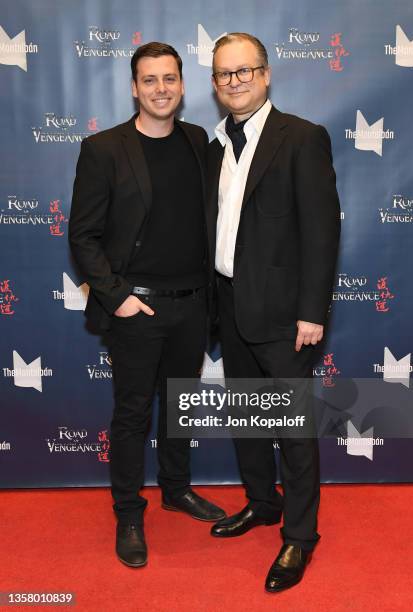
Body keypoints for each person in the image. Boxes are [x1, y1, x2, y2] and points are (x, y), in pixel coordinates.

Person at [69, 42, 225, 568]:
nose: (161, 88)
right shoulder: (103, 148)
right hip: (137, 310)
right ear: (134, 88)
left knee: (179, 407)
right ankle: (129, 512)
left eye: (170, 79)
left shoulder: (197, 139)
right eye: (149, 80)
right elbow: (83, 236)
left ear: (183, 86)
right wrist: (119, 299)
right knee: (133, 414)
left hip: (193, 306)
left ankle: (176, 488)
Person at [207, 33, 340, 592]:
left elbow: (322, 228)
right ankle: (261, 503)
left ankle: (300, 535)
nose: (234, 81)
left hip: (285, 313)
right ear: (214, 85)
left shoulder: (302, 137)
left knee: (291, 428)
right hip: (228, 303)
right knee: (247, 417)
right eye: (223, 74)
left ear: (265, 74)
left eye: (244, 71)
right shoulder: (213, 144)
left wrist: (311, 311)